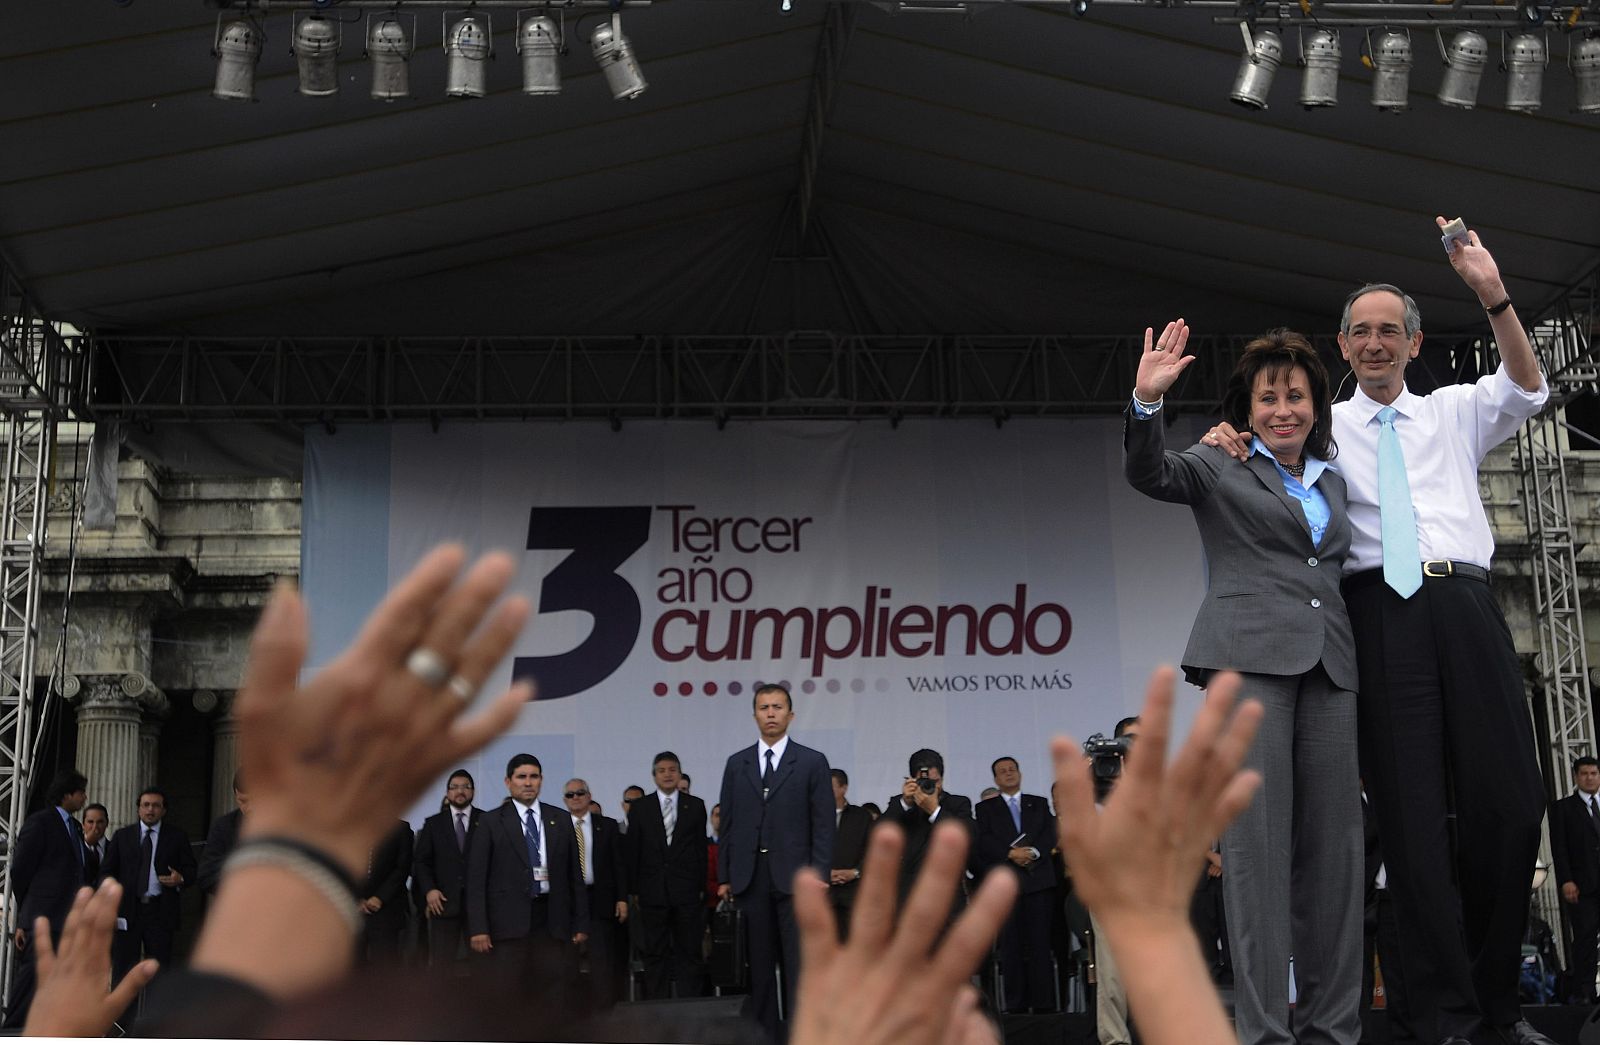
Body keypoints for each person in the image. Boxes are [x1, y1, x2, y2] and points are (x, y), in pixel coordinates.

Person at [1203, 218, 1551, 1045]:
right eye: (1360, 331)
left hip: (1464, 604)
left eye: (1390, 330)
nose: (1375, 343)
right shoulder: (1320, 431)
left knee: (1510, 805)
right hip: (1377, 616)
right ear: (1343, 346)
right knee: (1412, 821)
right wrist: (1227, 437)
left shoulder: (1453, 410)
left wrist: (1492, 294)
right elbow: (1258, 447)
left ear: (1414, 342)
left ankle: (1499, 1005)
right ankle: (1445, 1017)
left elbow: (1528, 386)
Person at [1127, 320, 1362, 1045]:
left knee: (1336, 856)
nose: (1282, 410)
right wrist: (1146, 401)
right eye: (1268, 398)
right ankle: (1263, 1030)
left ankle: (1333, 1029)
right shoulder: (1220, 460)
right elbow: (1150, 474)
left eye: (1295, 396)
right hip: (1249, 663)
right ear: (1248, 407)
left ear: (1316, 406)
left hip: (1331, 667)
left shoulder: (1334, 479)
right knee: (1256, 851)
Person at [717, 681, 836, 1040]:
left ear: (791, 714)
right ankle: (766, 1035)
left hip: (798, 880)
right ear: (755, 715)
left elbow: (823, 824)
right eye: (764, 707)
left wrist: (820, 874)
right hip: (750, 877)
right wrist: (725, 876)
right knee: (759, 967)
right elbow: (729, 825)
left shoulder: (812, 761)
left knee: (799, 964)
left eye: (777, 707)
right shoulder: (737, 763)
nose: (771, 713)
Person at [465, 754, 589, 988]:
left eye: (534, 776)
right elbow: (477, 880)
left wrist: (580, 923)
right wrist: (479, 928)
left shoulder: (561, 819)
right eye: (521, 777)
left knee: (552, 991)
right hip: (508, 923)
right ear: (508, 782)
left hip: (552, 920)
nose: (528, 782)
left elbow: (575, 876)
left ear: (541, 780)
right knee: (511, 992)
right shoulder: (491, 821)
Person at [4, 768, 90, 1028]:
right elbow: (20, 869)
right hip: (43, 915)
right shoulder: (41, 822)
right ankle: (12, 1029)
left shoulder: (75, 827)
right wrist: (27, 913)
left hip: (68, 919)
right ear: (67, 794)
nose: (84, 798)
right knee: (33, 975)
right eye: (81, 792)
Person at [973, 756, 1059, 1013]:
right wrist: (1010, 854)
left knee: (1040, 945)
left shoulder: (1039, 803)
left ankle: (1045, 1007)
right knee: (1011, 946)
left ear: (1020, 774)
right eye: (1003, 771)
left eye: (1012, 769)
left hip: (1038, 884)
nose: (1009, 773)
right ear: (996, 779)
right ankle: (1016, 1007)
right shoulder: (986, 809)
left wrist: (1033, 852)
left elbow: (1050, 833)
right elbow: (983, 841)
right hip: (1006, 887)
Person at [628, 751, 708, 999]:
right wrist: (634, 890)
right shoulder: (640, 807)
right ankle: (657, 1006)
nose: (667, 775)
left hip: (687, 892)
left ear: (680, 773)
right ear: (654, 776)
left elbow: (700, 850)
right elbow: (634, 850)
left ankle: (690, 1004)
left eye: (672, 770)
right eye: (662, 771)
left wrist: (700, 886)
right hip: (652, 891)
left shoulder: (695, 805)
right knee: (655, 951)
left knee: (689, 951)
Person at [100, 787, 198, 985]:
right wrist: (112, 893)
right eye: (146, 805)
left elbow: (192, 870)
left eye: (155, 806)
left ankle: (156, 1006)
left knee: (159, 971)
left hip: (160, 911)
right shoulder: (122, 836)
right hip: (128, 910)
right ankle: (123, 1006)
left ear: (164, 810)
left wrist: (180, 879)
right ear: (138, 809)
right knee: (124, 969)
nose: (150, 810)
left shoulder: (176, 837)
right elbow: (106, 871)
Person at [564, 777, 628, 1010]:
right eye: (570, 795)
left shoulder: (607, 825)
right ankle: (571, 1014)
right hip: (569, 904)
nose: (576, 797)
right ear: (565, 800)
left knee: (602, 960)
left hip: (600, 899)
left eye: (580, 793)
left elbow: (618, 865)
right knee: (568, 961)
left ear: (589, 796)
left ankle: (605, 1014)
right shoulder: (557, 826)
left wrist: (622, 898)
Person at [882, 749, 973, 912]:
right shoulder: (900, 804)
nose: (930, 787)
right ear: (912, 780)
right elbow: (880, 834)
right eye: (923, 782)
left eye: (935, 782)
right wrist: (905, 803)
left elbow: (967, 835)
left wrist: (934, 810)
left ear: (942, 779)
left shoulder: (958, 803)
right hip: (909, 893)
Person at [412, 769, 481, 967]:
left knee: (482, 966)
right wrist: (429, 890)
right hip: (442, 903)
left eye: (465, 787)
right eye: (455, 787)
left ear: (473, 791)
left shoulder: (486, 820)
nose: (460, 791)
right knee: (442, 967)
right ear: (447, 792)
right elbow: (421, 861)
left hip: (477, 907)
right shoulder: (433, 824)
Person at [1550, 756, 1600, 1005]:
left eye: (1593, 773)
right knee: (1585, 938)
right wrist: (1566, 880)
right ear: (1576, 777)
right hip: (1583, 886)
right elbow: (1559, 849)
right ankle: (1584, 992)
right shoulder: (1564, 809)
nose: (1589, 778)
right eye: (1584, 774)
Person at [358, 820, 413, 964]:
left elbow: (402, 868)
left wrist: (380, 897)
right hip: (352, 909)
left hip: (387, 908)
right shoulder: (348, 826)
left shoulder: (401, 828)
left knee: (385, 964)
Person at [827, 769, 872, 940]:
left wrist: (855, 872)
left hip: (853, 894)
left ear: (843, 788)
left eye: (830, 786)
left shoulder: (861, 817)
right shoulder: (813, 817)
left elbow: (872, 852)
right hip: (823, 894)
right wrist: (824, 872)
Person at [196, 773, 249, 898]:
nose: (250, 807)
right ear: (236, 796)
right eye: (243, 801)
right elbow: (206, 876)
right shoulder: (224, 826)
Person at [81, 804, 110, 882]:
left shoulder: (114, 848)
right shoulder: (75, 848)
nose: (95, 827)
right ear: (83, 824)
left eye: (100, 822)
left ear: (107, 823)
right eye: (90, 822)